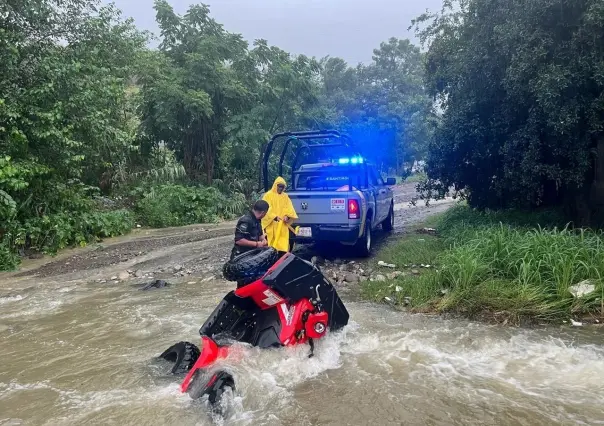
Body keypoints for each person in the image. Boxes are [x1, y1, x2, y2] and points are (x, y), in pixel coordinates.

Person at [261, 176, 298, 257]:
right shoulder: (268, 196)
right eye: (279, 186)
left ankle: (282, 259)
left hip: (282, 227)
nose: (280, 188)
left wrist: (287, 217)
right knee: (271, 244)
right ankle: (270, 259)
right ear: (275, 185)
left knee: (283, 245)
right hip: (271, 225)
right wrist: (274, 217)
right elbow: (265, 208)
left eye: (282, 186)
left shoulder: (285, 197)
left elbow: (289, 209)